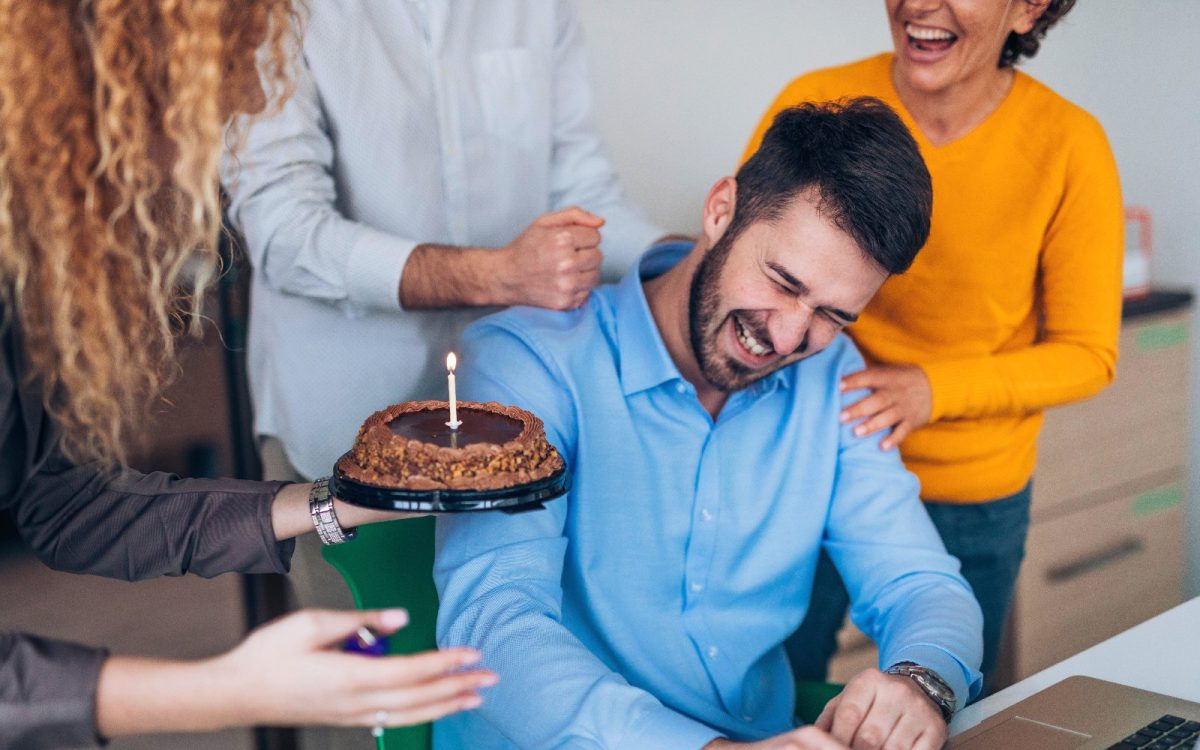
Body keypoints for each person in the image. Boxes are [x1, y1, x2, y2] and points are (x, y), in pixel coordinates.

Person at [0, 3, 494, 747]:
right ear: (121, 71)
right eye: (228, 68)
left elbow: (64, 505)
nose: (253, 101)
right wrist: (225, 689)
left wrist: (337, 503)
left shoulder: (36, 259)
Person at [434, 99, 983, 750]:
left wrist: (920, 684)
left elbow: (919, 582)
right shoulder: (523, 363)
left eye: (832, 313)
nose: (786, 335)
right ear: (721, 209)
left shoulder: (830, 374)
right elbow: (494, 626)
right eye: (782, 281)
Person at [220, 0, 668, 626]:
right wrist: (498, 274)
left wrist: (694, 258)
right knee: (367, 693)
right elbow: (286, 236)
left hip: (521, 424)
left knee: (502, 667)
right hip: (338, 427)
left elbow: (583, 194)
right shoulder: (275, 12)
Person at [741, 0, 1122, 692]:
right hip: (811, 468)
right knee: (768, 694)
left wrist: (930, 390)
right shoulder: (814, 105)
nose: (918, 4)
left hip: (971, 495)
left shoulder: (1069, 145)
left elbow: (1088, 353)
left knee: (940, 702)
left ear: (1029, 7)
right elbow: (744, 267)